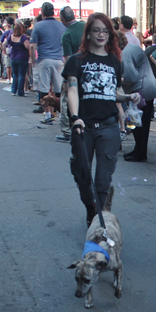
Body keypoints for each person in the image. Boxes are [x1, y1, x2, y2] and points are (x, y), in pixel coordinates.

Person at [62, 13, 140, 226]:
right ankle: (91, 207)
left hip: (108, 126)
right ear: (88, 34)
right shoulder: (76, 61)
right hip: (83, 127)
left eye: (105, 31)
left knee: (103, 178)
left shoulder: (115, 61)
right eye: (96, 30)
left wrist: (127, 97)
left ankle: (98, 219)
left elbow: (111, 92)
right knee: (82, 173)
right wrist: (75, 117)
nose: (101, 34)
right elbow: (72, 90)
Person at [120, 34, 156, 162]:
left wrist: (118, 80)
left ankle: (140, 152)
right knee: (141, 124)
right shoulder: (132, 47)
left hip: (141, 90)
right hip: (147, 87)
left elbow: (131, 77)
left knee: (139, 124)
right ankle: (138, 150)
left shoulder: (125, 53)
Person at [30, 2, 66, 125]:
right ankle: (62, 115)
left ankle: (47, 115)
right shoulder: (62, 26)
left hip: (44, 59)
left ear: (42, 12)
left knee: (44, 89)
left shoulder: (38, 26)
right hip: (59, 59)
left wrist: (33, 61)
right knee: (59, 89)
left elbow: (32, 46)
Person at [57, 6, 86, 143]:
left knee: (66, 99)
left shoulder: (67, 35)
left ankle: (67, 130)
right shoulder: (85, 26)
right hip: (89, 69)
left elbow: (68, 59)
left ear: (63, 19)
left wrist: (66, 79)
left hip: (75, 72)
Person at [7, 21, 30, 96]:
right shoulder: (23, 37)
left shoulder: (11, 36)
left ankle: (13, 90)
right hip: (22, 57)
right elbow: (27, 46)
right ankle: (20, 91)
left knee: (15, 74)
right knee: (21, 74)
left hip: (13, 57)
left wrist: (5, 51)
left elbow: (4, 44)